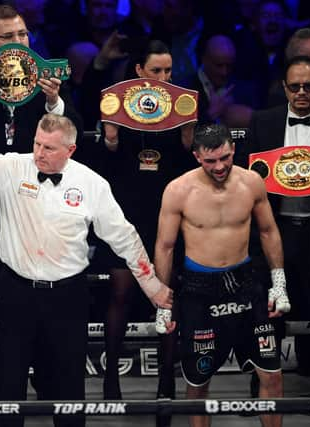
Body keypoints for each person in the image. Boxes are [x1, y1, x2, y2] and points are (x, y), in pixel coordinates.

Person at [0, 109, 172, 427]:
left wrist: (151, 285)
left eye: (49, 148)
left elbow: (124, 237)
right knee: (8, 384)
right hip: (16, 292)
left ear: (70, 150)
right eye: (37, 144)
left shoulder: (91, 184)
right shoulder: (12, 167)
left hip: (67, 296)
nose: (39, 153)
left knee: (68, 385)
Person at [0, 3, 83, 401]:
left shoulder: (48, 76)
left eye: (23, 34)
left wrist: (53, 104)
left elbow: (73, 131)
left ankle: (44, 379)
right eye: (10, 37)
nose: (20, 42)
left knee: (39, 297)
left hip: (33, 208)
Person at [154, 123, 290, 427]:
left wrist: (278, 283)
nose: (219, 166)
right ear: (196, 156)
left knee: (272, 375)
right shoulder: (178, 190)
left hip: (246, 284)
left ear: (233, 150)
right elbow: (165, 246)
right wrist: (162, 302)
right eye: (210, 161)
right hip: (199, 290)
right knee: (198, 382)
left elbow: (268, 231)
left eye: (225, 158)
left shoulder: (252, 182)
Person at [96, 42, 195, 423]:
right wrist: (111, 138)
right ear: (139, 70)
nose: (164, 79)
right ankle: (110, 381)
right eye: (156, 71)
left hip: (167, 215)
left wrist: (188, 135)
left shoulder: (182, 105)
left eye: (168, 71)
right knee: (120, 294)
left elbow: (189, 162)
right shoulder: (117, 105)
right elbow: (103, 162)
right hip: (125, 216)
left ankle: (166, 383)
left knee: (166, 298)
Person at [246, 55, 310, 397]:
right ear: (284, 87)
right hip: (274, 230)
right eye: (294, 86)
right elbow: (247, 180)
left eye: (308, 86)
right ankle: (263, 388)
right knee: (269, 313)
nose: (301, 93)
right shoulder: (262, 122)